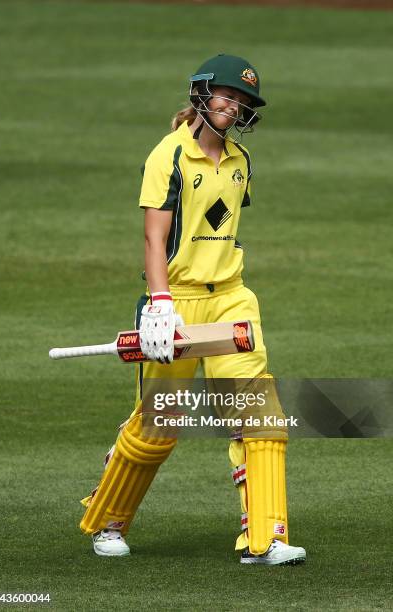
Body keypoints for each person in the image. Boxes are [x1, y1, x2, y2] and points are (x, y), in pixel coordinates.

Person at [79, 54, 306, 566]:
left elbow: (219, 231)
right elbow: (154, 237)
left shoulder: (241, 162)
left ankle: (264, 539)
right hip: (175, 300)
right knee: (161, 421)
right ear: (202, 95)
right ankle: (108, 519)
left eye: (242, 100)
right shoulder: (169, 156)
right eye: (227, 95)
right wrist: (160, 306)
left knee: (258, 416)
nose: (234, 106)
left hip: (231, 296)